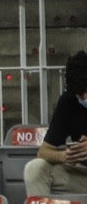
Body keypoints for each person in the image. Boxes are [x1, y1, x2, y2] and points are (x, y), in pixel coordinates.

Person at [24, 50, 87, 196]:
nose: (84, 97)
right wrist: (66, 156)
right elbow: (43, 151)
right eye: (80, 94)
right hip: (81, 175)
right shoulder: (68, 101)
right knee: (35, 168)